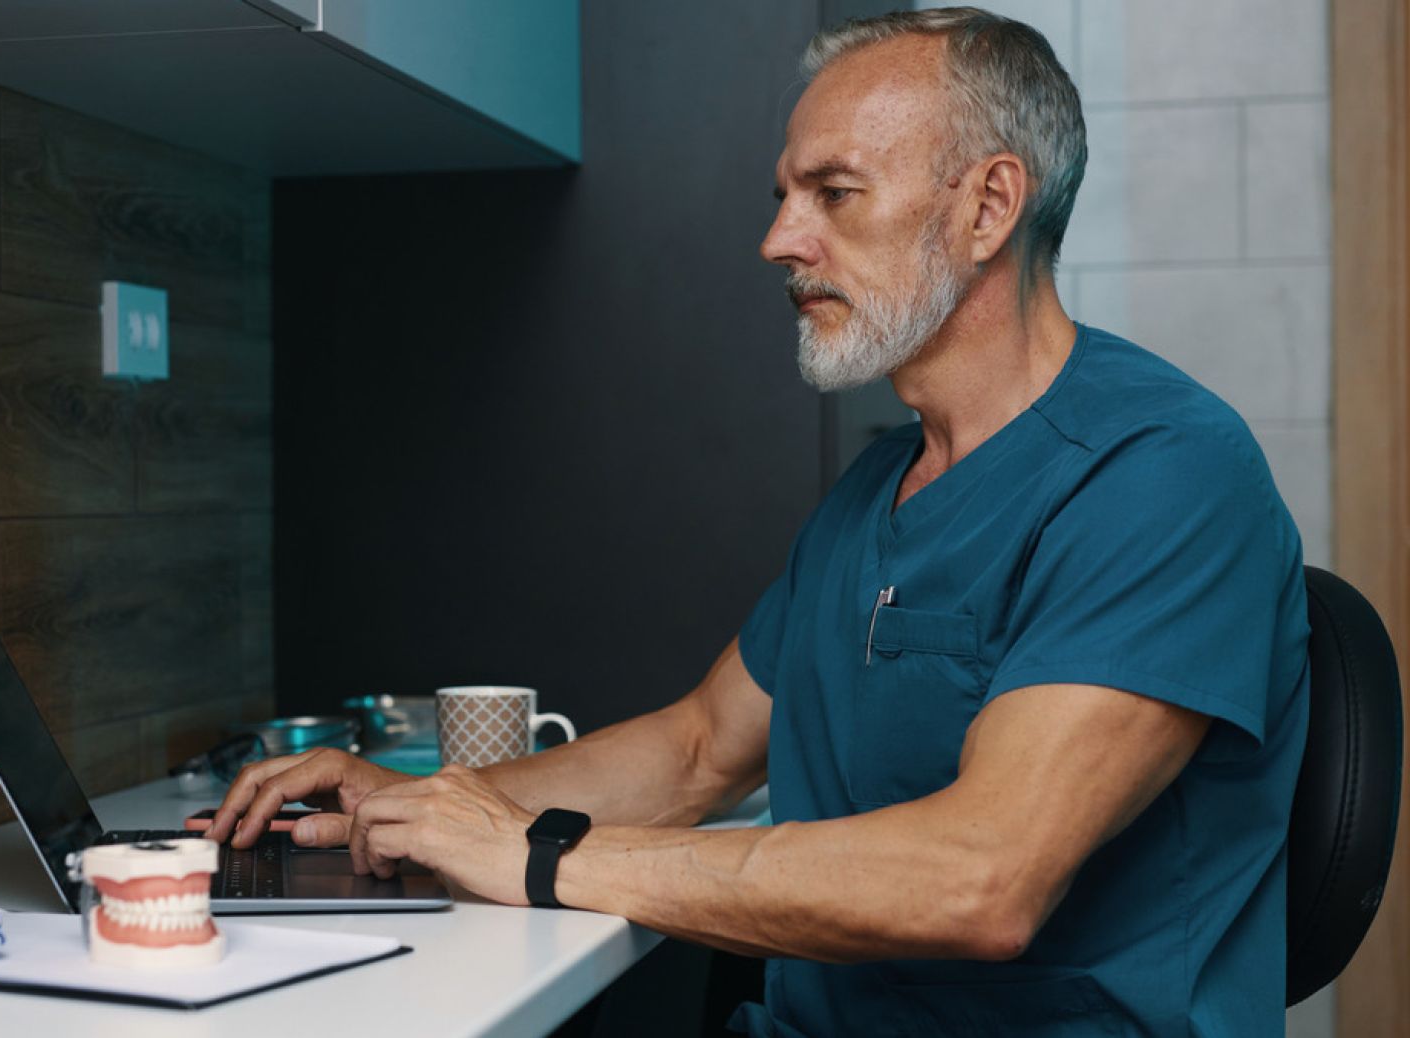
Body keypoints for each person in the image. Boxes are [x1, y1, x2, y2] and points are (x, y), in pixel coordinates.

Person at [208, 8, 1308, 1035]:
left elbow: (982, 878)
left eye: (833, 193)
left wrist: (536, 857)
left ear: (987, 207)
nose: (780, 239)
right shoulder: (879, 489)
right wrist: (422, 804)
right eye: (785, 195)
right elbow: (698, 749)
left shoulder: (1161, 474)